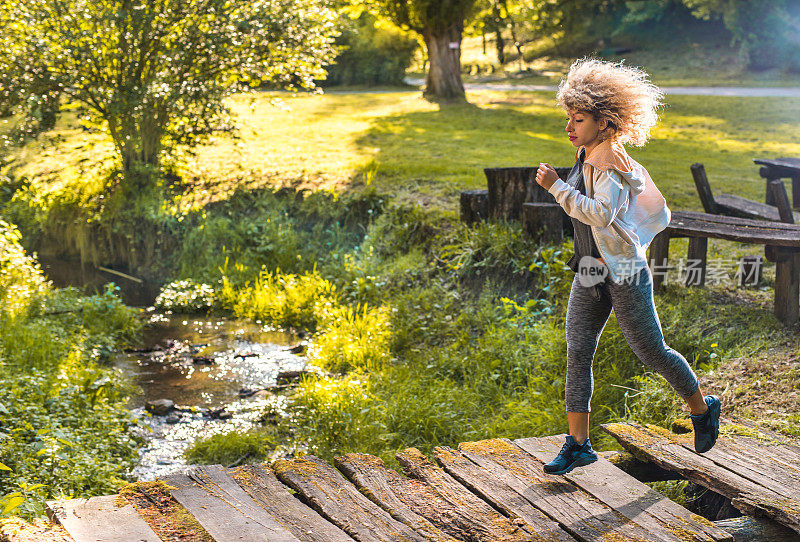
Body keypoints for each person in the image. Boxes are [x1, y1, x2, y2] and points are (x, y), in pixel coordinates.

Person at [534, 58, 721, 475]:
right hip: (591, 269)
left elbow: (600, 215)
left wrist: (556, 188)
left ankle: (702, 408)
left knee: (651, 351)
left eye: (577, 118)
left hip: (623, 272)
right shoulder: (586, 152)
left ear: (604, 121)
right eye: (568, 117)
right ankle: (578, 444)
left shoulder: (611, 164)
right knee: (578, 350)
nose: (569, 126)